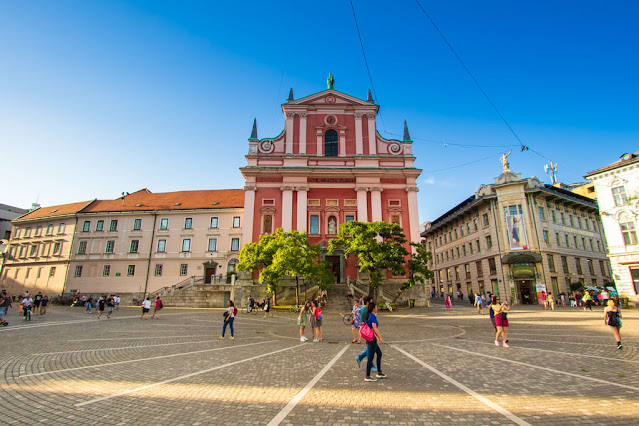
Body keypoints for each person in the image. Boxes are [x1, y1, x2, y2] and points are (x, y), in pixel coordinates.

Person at [363, 301, 386, 382]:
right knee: (370, 357)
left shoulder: (367, 315)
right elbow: (374, 328)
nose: (377, 308)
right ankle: (367, 376)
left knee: (379, 353)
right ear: (373, 308)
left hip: (369, 338)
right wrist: (381, 338)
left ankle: (379, 372)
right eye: (376, 307)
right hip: (372, 339)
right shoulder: (372, 316)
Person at [356, 296, 377, 372]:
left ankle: (360, 357)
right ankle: (370, 365)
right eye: (370, 302)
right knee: (370, 348)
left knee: (371, 348)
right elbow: (368, 322)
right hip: (368, 331)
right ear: (367, 302)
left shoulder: (364, 309)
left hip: (367, 331)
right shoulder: (365, 310)